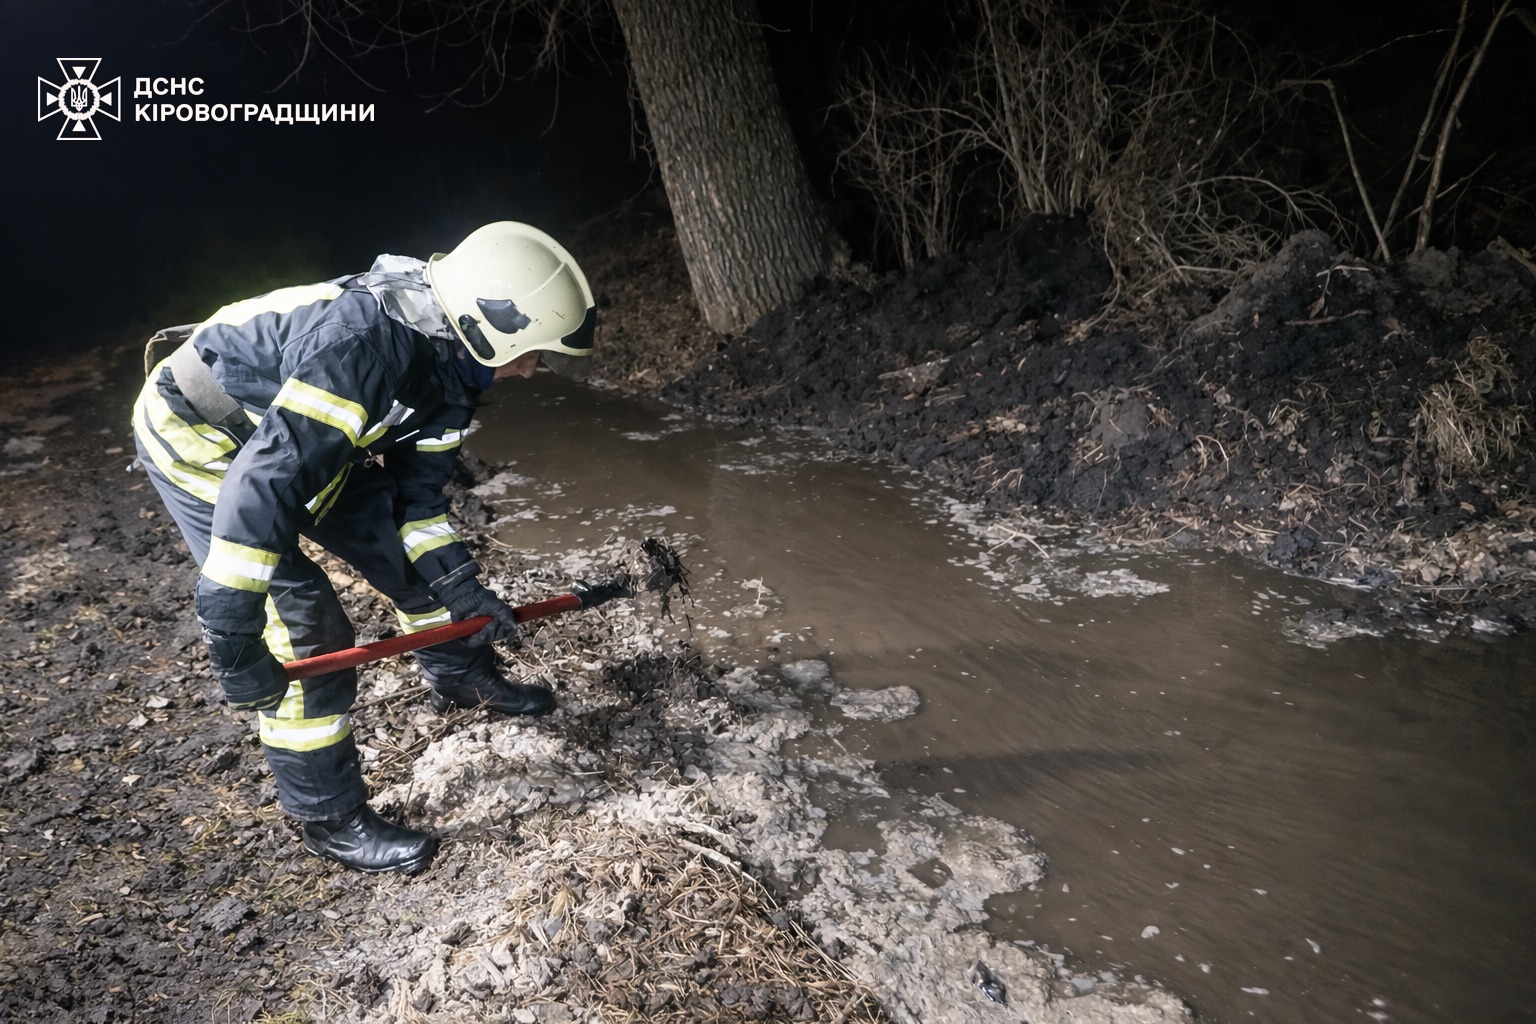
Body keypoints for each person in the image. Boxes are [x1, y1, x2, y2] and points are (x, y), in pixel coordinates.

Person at [131, 221, 596, 876]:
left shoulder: (453, 370)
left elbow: (419, 506)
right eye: (531, 352)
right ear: (490, 324)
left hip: (301, 435)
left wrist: (464, 590)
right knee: (305, 626)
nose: (531, 370)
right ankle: (329, 817)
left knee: (411, 563)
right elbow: (262, 492)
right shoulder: (363, 351)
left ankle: (458, 675)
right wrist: (231, 631)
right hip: (204, 434)